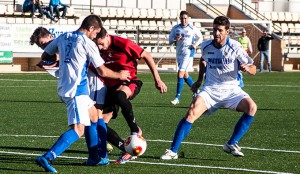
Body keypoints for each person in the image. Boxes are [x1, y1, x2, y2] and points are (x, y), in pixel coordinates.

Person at [34, 15, 131, 173]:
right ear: (91, 28)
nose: (95, 37)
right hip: (76, 91)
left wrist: (58, 58)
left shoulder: (64, 37)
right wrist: (120, 75)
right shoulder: (87, 43)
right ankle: (47, 157)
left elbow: (45, 55)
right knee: (78, 129)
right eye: (96, 33)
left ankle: (94, 157)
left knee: (94, 117)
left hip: (71, 88)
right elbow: (102, 70)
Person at [160, 16, 257, 160]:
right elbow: (203, 61)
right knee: (191, 112)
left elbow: (253, 68)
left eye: (220, 30)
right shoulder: (206, 46)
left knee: (252, 108)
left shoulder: (235, 47)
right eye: (214, 29)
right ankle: (173, 151)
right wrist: (199, 80)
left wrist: (248, 68)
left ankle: (231, 143)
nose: (216, 33)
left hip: (231, 90)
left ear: (227, 31)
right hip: (211, 89)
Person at [91, 26, 167, 164]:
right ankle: (127, 148)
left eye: (101, 43)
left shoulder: (123, 44)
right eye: (97, 45)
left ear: (107, 36)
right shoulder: (97, 50)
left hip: (130, 82)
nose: (100, 47)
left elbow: (147, 56)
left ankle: (135, 130)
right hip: (110, 88)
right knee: (100, 125)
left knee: (120, 96)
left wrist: (158, 80)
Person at [169, 10, 203, 105]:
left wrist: (195, 44)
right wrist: (175, 39)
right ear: (180, 18)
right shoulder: (176, 28)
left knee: (180, 73)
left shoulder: (192, 28)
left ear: (188, 19)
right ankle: (196, 90)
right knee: (185, 75)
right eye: (182, 18)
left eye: (185, 18)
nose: (184, 20)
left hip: (188, 53)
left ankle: (177, 97)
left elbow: (200, 38)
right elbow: (170, 40)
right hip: (179, 53)